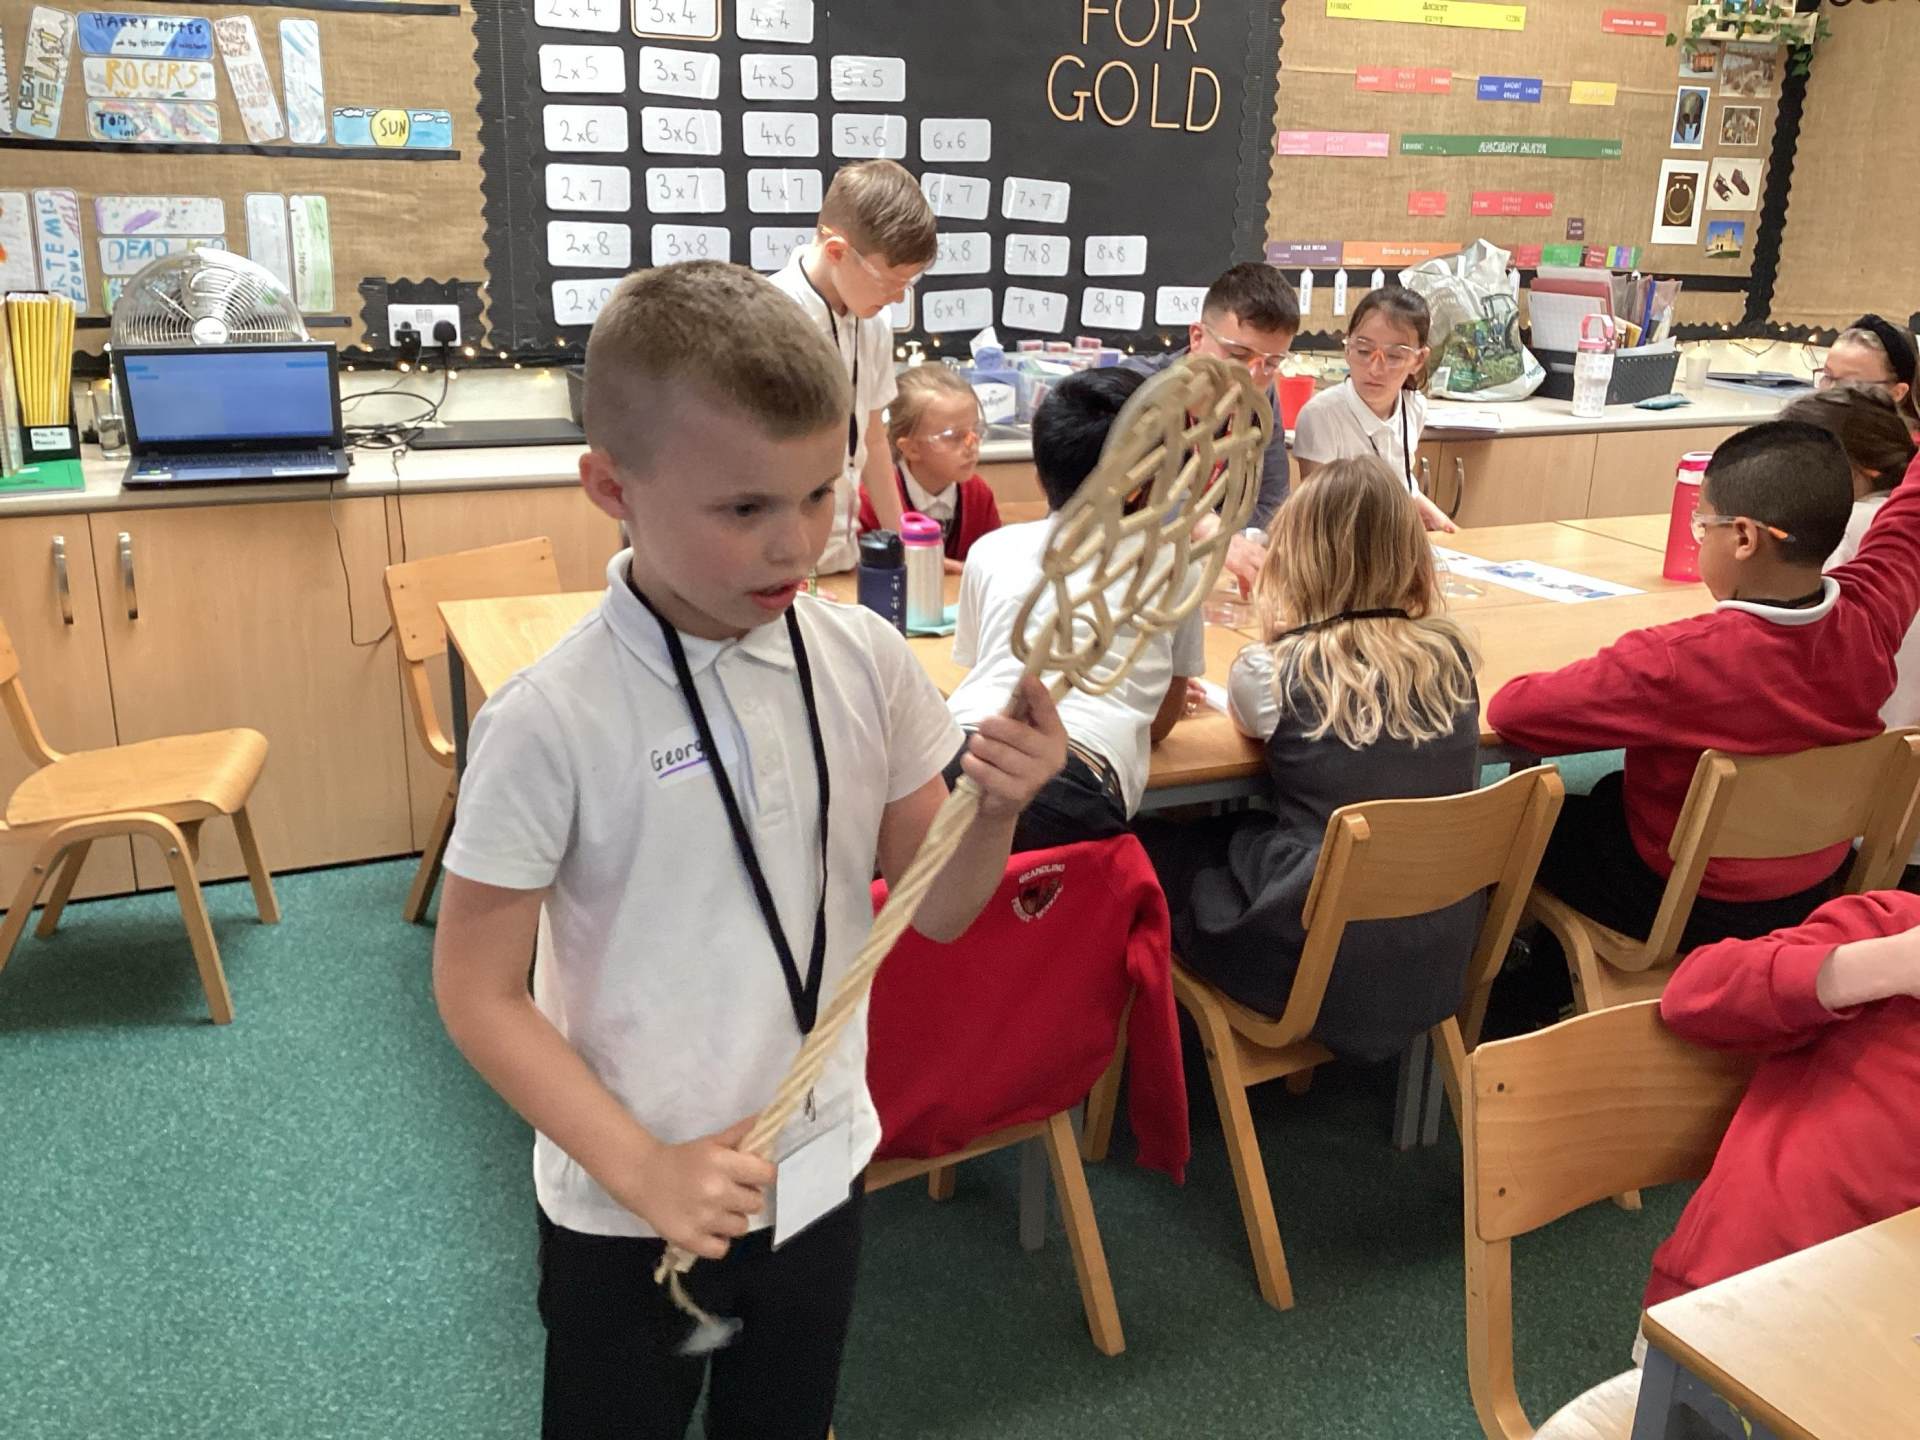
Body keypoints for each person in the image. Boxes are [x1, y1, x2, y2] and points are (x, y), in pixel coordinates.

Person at [429, 261, 1066, 1440]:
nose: (797, 545)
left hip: (821, 1162)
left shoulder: (864, 661)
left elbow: (938, 911)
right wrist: (643, 1169)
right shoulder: (549, 719)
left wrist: (997, 809)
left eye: (820, 494)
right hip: (629, 1202)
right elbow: (476, 992)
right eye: (744, 510)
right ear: (611, 488)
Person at [1487, 424, 1920, 953]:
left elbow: (1514, 713)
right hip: (1808, 892)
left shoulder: (1675, 661)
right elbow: (1908, 524)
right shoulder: (1872, 615)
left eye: (1702, 523)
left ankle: (1521, 980)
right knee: (1604, 796)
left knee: (1515, 823)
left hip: (1680, 899)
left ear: (1743, 538)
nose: (1698, 537)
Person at [1137, 457, 1483, 1062]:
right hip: (1440, 956)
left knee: (1160, 845)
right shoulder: (1452, 660)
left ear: (1295, 558)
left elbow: (1251, 724)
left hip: (1313, 962)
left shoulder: (1272, 671)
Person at [946, 366, 1203, 854]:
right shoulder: (1173, 564)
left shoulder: (992, 549)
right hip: (1073, 779)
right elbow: (1160, 725)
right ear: (1145, 483)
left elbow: (985, 667)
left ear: (1039, 474)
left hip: (958, 752)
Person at [1645, 889, 1920, 1308]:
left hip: (1882, 1317)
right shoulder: (1895, 925)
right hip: (1736, 1293)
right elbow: (1691, 996)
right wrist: (1889, 964)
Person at [770, 159, 937, 572]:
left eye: (908, 284)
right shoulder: (771, 317)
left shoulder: (874, 320)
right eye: (890, 282)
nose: (898, 297)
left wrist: (903, 543)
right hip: (783, 562)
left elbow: (874, 440)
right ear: (836, 252)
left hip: (844, 556)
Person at [1122, 260, 1300, 530]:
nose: (1252, 376)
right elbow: (1119, 493)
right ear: (1197, 337)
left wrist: (1239, 540)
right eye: (1239, 356)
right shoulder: (1136, 386)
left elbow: (1272, 500)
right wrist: (1205, 531)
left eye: (1272, 362)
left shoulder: (1263, 396)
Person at [1292, 285, 1456, 533]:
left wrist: (1433, 515)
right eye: (1364, 351)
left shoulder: (1414, 407)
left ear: (1418, 360)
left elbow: (1401, 484)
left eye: (1394, 356)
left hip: (1393, 539)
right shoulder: (1321, 415)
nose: (1375, 369)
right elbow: (1318, 515)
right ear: (1347, 349)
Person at [857, 363, 1002, 571]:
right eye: (954, 436)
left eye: (976, 430)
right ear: (911, 449)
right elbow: (857, 576)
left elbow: (993, 564)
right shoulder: (870, 502)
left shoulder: (978, 494)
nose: (972, 445)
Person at [1816, 312, 1919, 434]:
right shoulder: (1815, 432)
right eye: (1828, 376)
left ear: (1897, 392)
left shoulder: (1905, 445)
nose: (1830, 390)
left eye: (1850, 383)